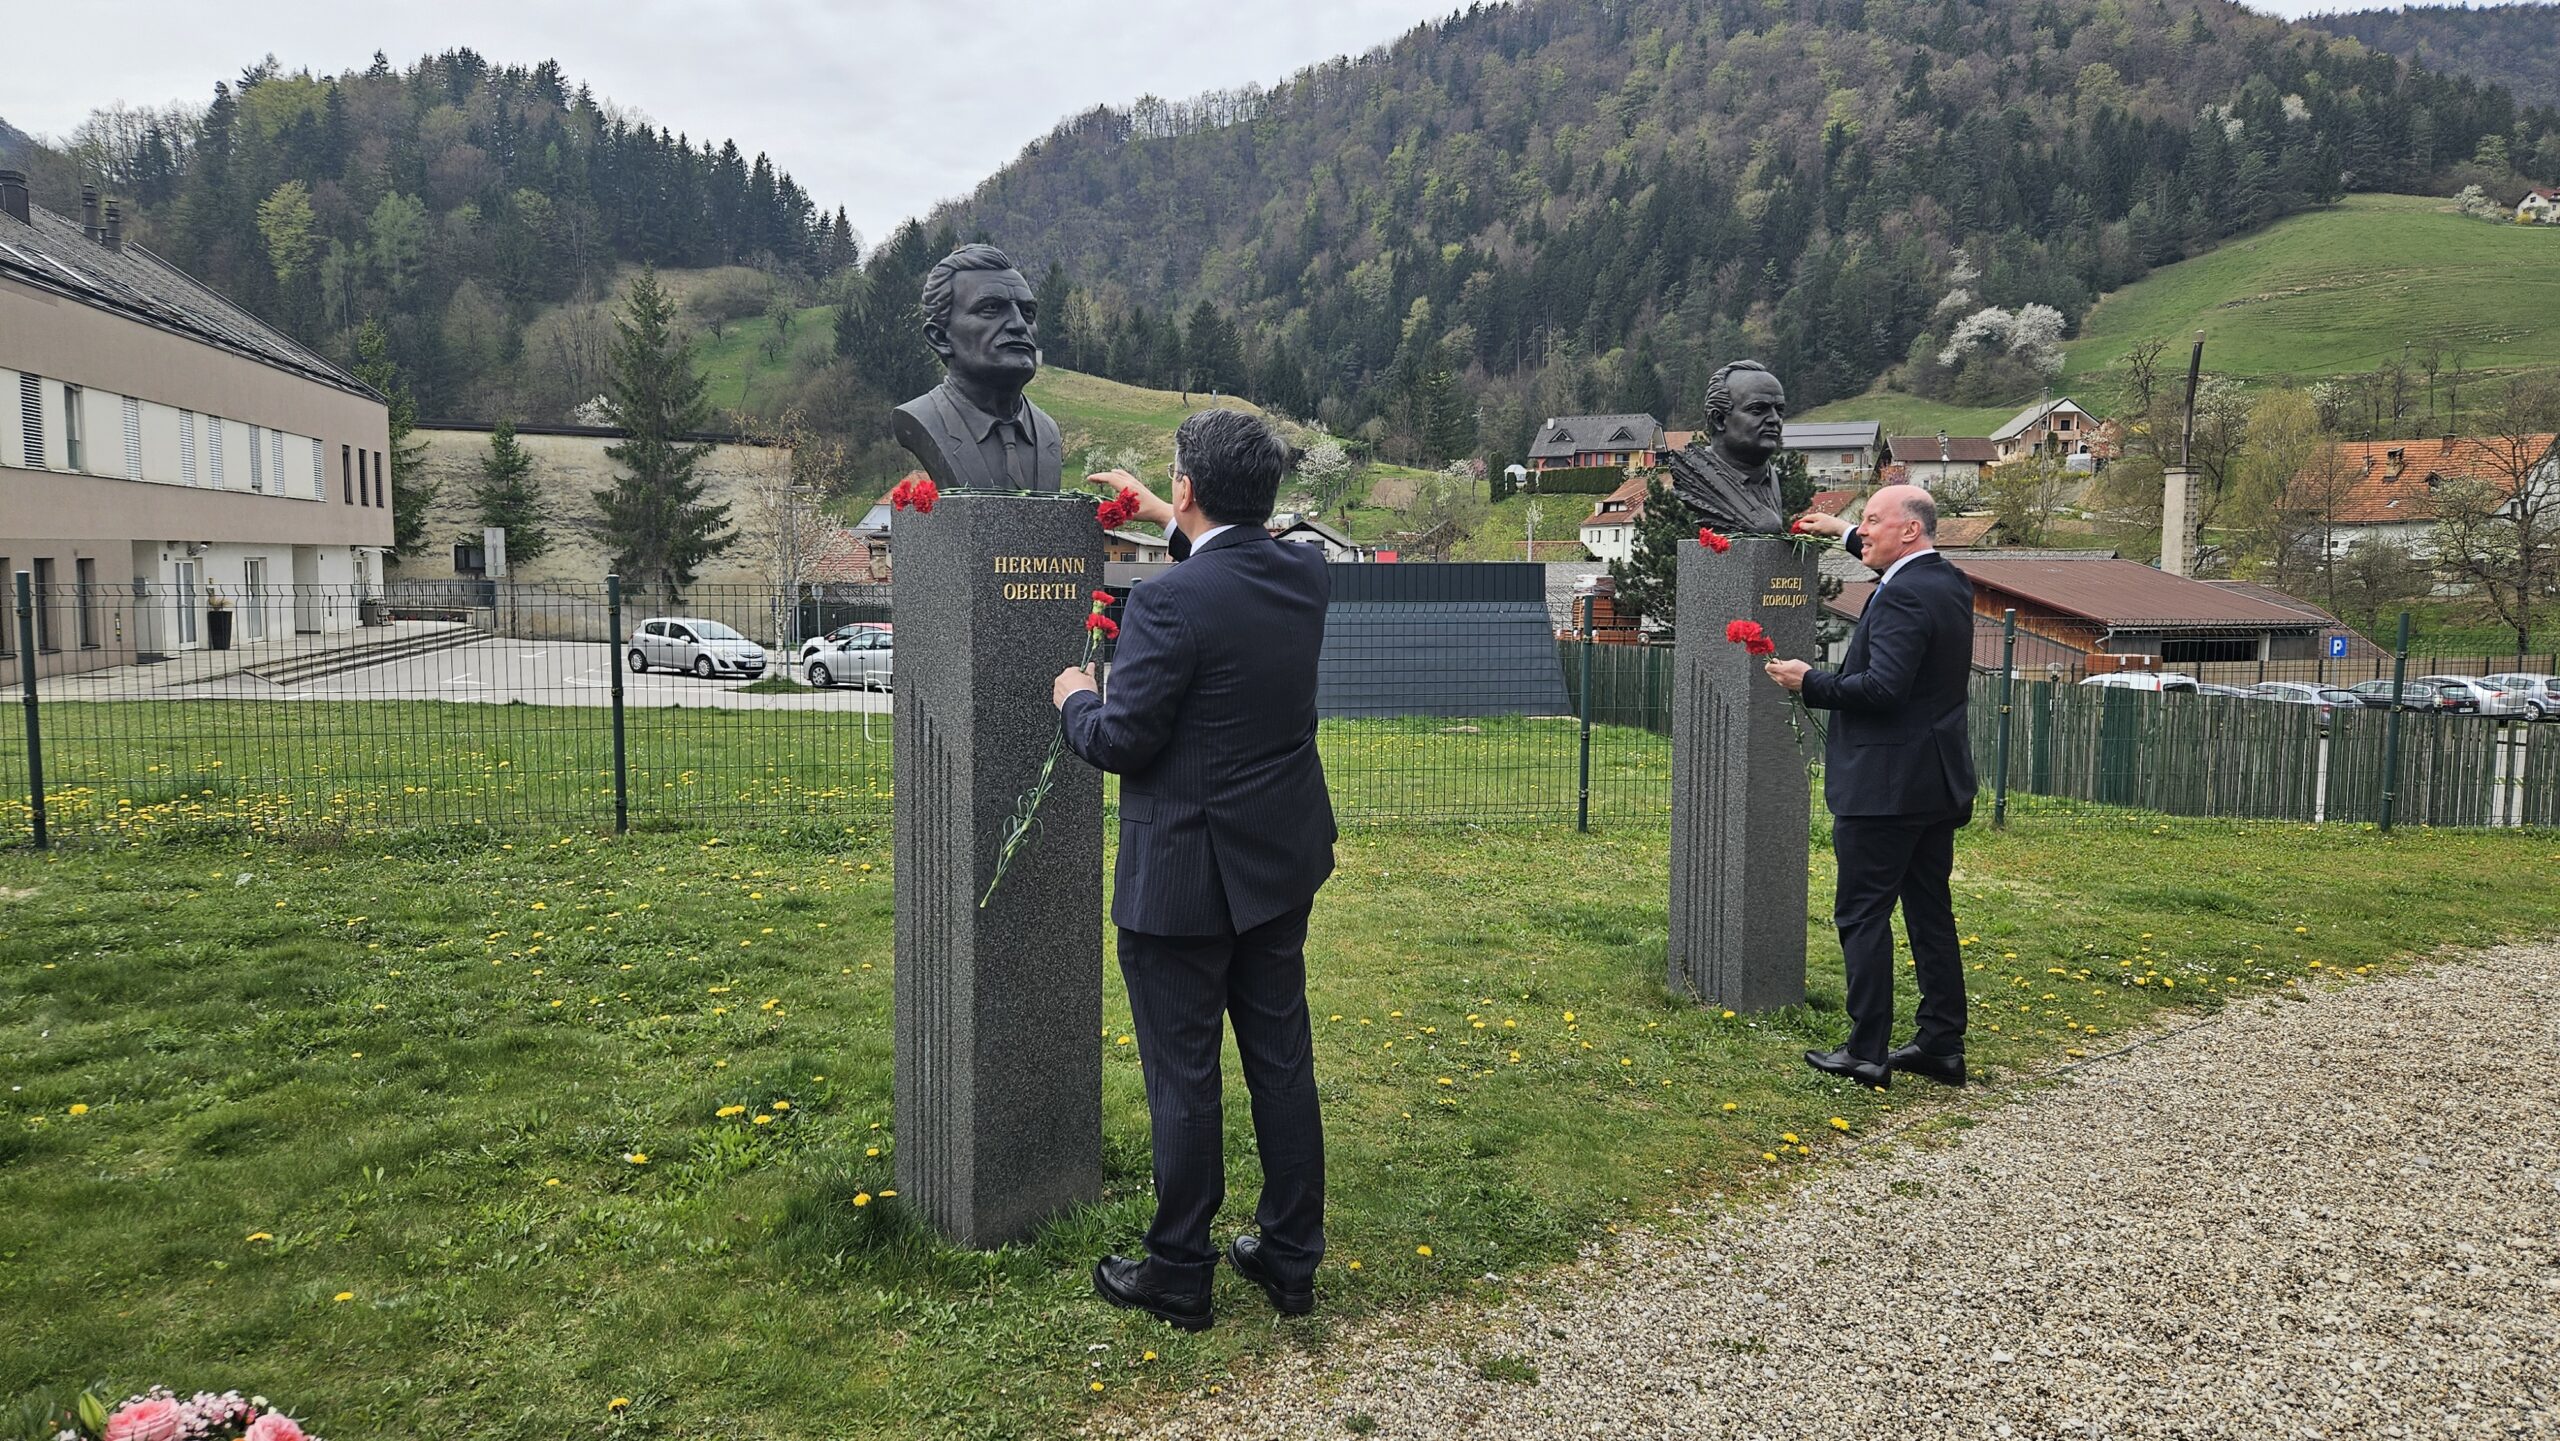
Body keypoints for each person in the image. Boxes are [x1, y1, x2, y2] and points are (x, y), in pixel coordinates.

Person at [1051, 409, 1337, 1330]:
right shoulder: (1305, 573)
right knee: (1281, 1061)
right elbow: (1232, 564)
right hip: (1277, 867)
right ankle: (1290, 1256)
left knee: (1184, 1076)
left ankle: (1180, 1268)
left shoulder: (1165, 604)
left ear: (1186, 487)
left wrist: (1076, 696)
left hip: (1182, 883)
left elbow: (1121, 740)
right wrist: (1166, 515)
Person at [1765, 485, 1977, 1090]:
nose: (1865, 529)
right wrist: (1839, 531)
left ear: (1909, 531)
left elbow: (1884, 689)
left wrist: (1809, 681)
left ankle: (1865, 1051)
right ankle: (1941, 1043)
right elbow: (1879, 550)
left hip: (1886, 788)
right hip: (1935, 781)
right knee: (1930, 912)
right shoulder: (1948, 581)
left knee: (1862, 914)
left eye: (1874, 521)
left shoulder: (1903, 594)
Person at [891, 243, 1065, 492]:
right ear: (940, 337)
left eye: (1028, 312)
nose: (1019, 324)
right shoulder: (920, 418)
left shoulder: (1048, 432)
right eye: (991, 309)